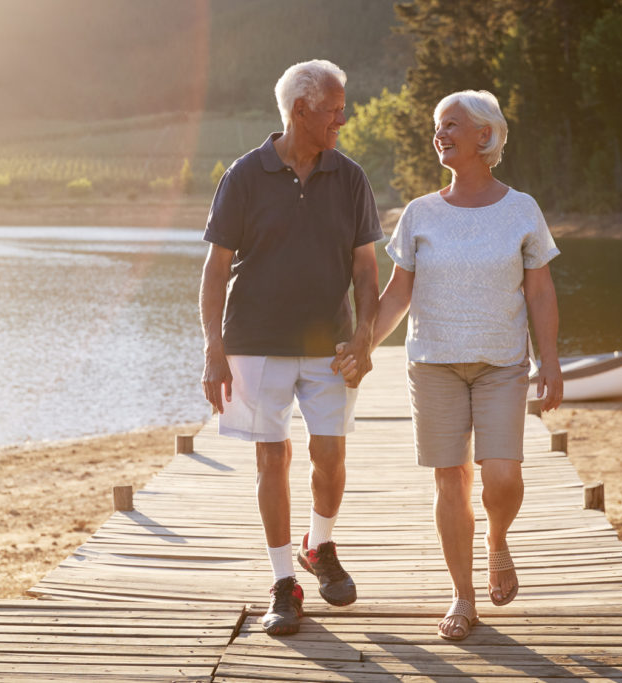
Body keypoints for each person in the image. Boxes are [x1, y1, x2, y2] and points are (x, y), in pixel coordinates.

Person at [335, 89, 563, 641]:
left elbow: (540, 292)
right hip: (432, 365)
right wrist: (364, 342)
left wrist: (551, 361)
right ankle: (463, 597)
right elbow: (396, 294)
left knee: (502, 476)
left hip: (502, 363)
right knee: (450, 480)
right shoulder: (419, 213)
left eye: (452, 125)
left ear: (485, 136)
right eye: (437, 125)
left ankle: (497, 540)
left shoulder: (522, 209)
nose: (440, 134)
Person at [200, 59, 383, 636]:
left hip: (330, 345)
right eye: (334, 108)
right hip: (253, 342)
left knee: (329, 457)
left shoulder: (351, 177)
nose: (343, 118)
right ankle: (285, 580)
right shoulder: (244, 175)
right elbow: (216, 266)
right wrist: (213, 347)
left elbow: (366, 268)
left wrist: (364, 336)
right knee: (270, 458)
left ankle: (318, 545)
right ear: (300, 110)